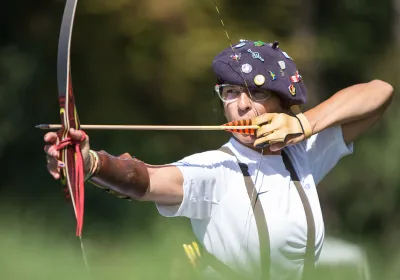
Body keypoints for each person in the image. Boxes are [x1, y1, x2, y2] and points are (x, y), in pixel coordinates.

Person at [43, 39, 393, 280]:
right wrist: (90, 164)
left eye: (256, 92)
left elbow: (381, 93)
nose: (241, 105)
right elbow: (146, 179)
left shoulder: (302, 156)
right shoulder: (215, 168)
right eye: (230, 92)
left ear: (283, 104)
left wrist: (304, 124)